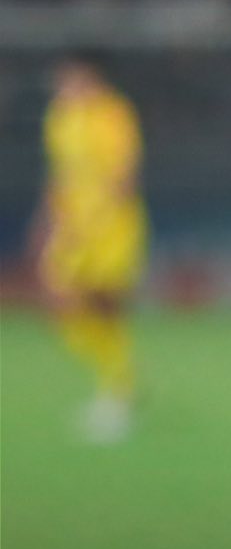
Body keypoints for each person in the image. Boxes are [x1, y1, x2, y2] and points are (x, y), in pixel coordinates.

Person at [32, 54, 147, 443]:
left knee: (104, 303)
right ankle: (119, 382)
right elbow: (59, 175)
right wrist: (48, 219)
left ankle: (117, 393)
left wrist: (95, 223)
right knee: (61, 300)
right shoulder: (59, 118)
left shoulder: (113, 114)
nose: (63, 86)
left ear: (91, 77)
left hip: (110, 224)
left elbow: (124, 177)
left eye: (70, 78)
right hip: (72, 224)